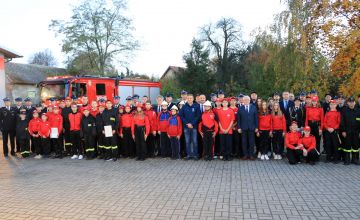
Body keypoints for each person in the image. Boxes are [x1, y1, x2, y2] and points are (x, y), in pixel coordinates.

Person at [179, 94, 201, 160]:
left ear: (193, 99)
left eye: (191, 98)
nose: (189, 99)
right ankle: (188, 155)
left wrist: (192, 123)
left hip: (194, 127)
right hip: (186, 127)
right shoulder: (184, 106)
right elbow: (181, 116)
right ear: (187, 99)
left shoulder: (196, 106)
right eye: (188, 98)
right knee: (187, 141)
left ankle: (195, 155)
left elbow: (198, 116)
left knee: (194, 141)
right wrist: (187, 123)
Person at [340, 97, 360, 165]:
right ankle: (347, 160)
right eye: (350, 102)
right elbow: (342, 122)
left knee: (356, 146)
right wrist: (343, 131)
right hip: (347, 131)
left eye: (352, 102)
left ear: (354, 102)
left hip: (356, 132)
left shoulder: (358, 111)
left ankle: (355, 159)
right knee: (347, 146)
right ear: (348, 103)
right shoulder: (344, 111)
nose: (351, 103)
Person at [237, 96, 258, 160]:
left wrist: (256, 127)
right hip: (243, 128)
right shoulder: (240, 108)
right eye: (245, 100)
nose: (246, 101)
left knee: (251, 142)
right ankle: (245, 155)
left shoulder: (254, 107)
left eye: (247, 100)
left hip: (252, 128)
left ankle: (251, 155)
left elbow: (256, 118)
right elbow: (238, 119)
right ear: (243, 101)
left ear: (249, 100)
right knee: (244, 142)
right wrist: (239, 127)